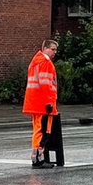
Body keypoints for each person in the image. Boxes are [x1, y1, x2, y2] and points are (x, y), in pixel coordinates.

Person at [22, 40, 59, 168]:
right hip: (43, 104)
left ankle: (37, 158)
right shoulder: (45, 62)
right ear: (45, 48)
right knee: (43, 131)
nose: (55, 52)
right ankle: (38, 159)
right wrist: (50, 102)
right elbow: (46, 84)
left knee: (38, 130)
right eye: (52, 49)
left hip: (35, 103)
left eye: (55, 50)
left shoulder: (35, 62)